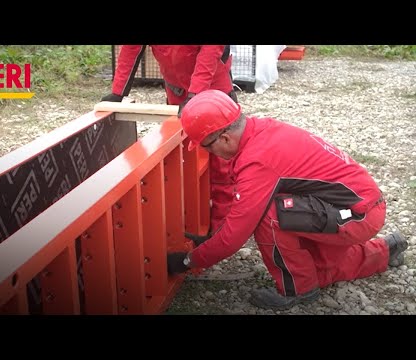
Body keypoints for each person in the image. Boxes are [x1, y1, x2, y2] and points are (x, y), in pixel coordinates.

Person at [167, 89, 409, 310]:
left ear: (225, 138)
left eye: (207, 148)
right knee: (319, 263)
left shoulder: (258, 160)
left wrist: (187, 260)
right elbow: (241, 204)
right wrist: (213, 238)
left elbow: (235, 236)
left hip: (358, 215)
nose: (210, 154)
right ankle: (387, 250)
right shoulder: (259, 131)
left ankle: (299, 289)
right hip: (357, 205)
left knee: (272, 215)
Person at [102, 45, 238, 235]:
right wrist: (118, 92)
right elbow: (131, 50)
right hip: (177, 91)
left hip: (213, 89)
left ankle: (223, 228)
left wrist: (196, 93)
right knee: (180, 157)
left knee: (221, 163)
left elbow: (210, 51)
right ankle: (185, 221)